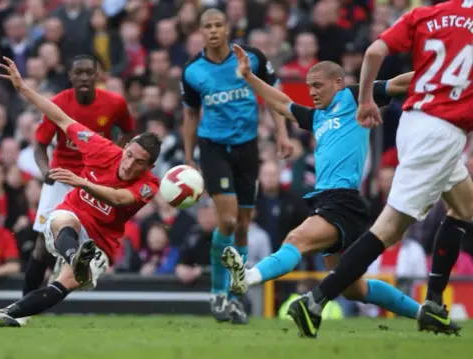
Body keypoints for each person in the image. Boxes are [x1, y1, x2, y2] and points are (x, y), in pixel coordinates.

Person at [287, 0, 473, 338]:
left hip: (415, 121)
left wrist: (366, 100)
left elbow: (374, 51)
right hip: (442, 133)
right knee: (388, 230)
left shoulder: (426, 14)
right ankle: (316, 300)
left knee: (464, 205)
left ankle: (433, 301)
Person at [223, 44, 424, 323]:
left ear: (339, 83)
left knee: (296, 240)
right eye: (309, 87)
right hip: (328, 201)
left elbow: (398, 83)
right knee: (356, 288)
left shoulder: (354, 97)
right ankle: (424, 314)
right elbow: (281, 103)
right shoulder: (317, 117)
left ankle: (248, 276)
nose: (313, 92)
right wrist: (249, 77)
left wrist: (437, 74)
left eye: (318, 85)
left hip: (344, 201)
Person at [0, 57, 161, 327]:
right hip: (73, 214)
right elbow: (59, 118)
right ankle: (74, 255)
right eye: (129, 155)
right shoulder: (102, 148)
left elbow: (119, 198)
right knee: (63, 220)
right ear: (125, 148)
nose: (130, 163)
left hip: (101, 242)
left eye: (139, 162)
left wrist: (84, 183)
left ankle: (12, 314)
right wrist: (23, 89)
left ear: (150, 166)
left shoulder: (150, 184)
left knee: (64, 283)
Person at [181, 8, 293, 324]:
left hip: (247, 148)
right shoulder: (192, 71)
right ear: (200, 32)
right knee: (228, 221)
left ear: (228, 28)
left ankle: (233, 297)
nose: (214, 31)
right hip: (214, 148)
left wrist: (283, 135)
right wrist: (190, 157)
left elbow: (274, 98)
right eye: (208, 26)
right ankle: (218, 292)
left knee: (244, 224)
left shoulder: (251, 58)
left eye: (218, 25)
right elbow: (190, 114)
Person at [21, 54, 135, 326]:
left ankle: (65, 268)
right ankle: (22, 308)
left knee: (89, 235)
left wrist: (116, 157)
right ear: (71, 77)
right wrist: (45, 169)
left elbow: (129, 132)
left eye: (89, 73)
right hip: (61, 176)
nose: (84, 78)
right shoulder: (60, 102)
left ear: (98, 76)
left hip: (94, 179)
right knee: (41, 246)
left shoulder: (115, 104)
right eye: (79, 73)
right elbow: (39, 144)